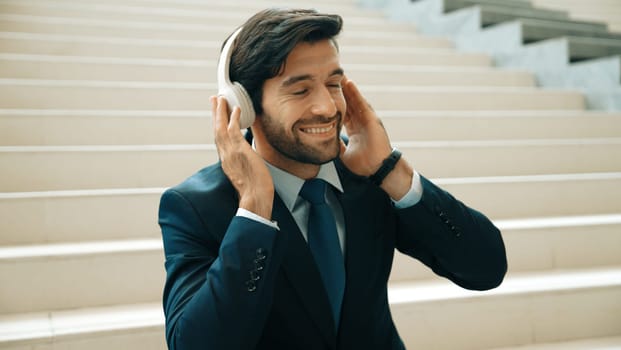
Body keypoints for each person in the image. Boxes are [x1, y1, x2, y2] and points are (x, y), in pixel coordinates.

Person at [158, 7, 507, 350]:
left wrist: (390, 169)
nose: (326, 107)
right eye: (300, 90)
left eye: (333, 83)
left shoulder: (369, 175)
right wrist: (254, 209)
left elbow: (485, 268)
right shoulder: (195, 206)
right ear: (244, 105)